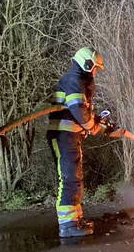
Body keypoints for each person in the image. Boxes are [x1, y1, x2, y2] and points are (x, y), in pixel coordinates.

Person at [48, 47, 116, 238]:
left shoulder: (76, 81)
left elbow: (81, 111)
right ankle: (67, 225)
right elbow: (79, 111)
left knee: (74, 177)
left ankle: (75, 220)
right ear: (87, 64)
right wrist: (94, 126)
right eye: (95, 68)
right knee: (69, 178)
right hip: (63, 136)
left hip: (70, 136)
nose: (95, 72)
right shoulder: (73, 80)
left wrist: (97, 122)